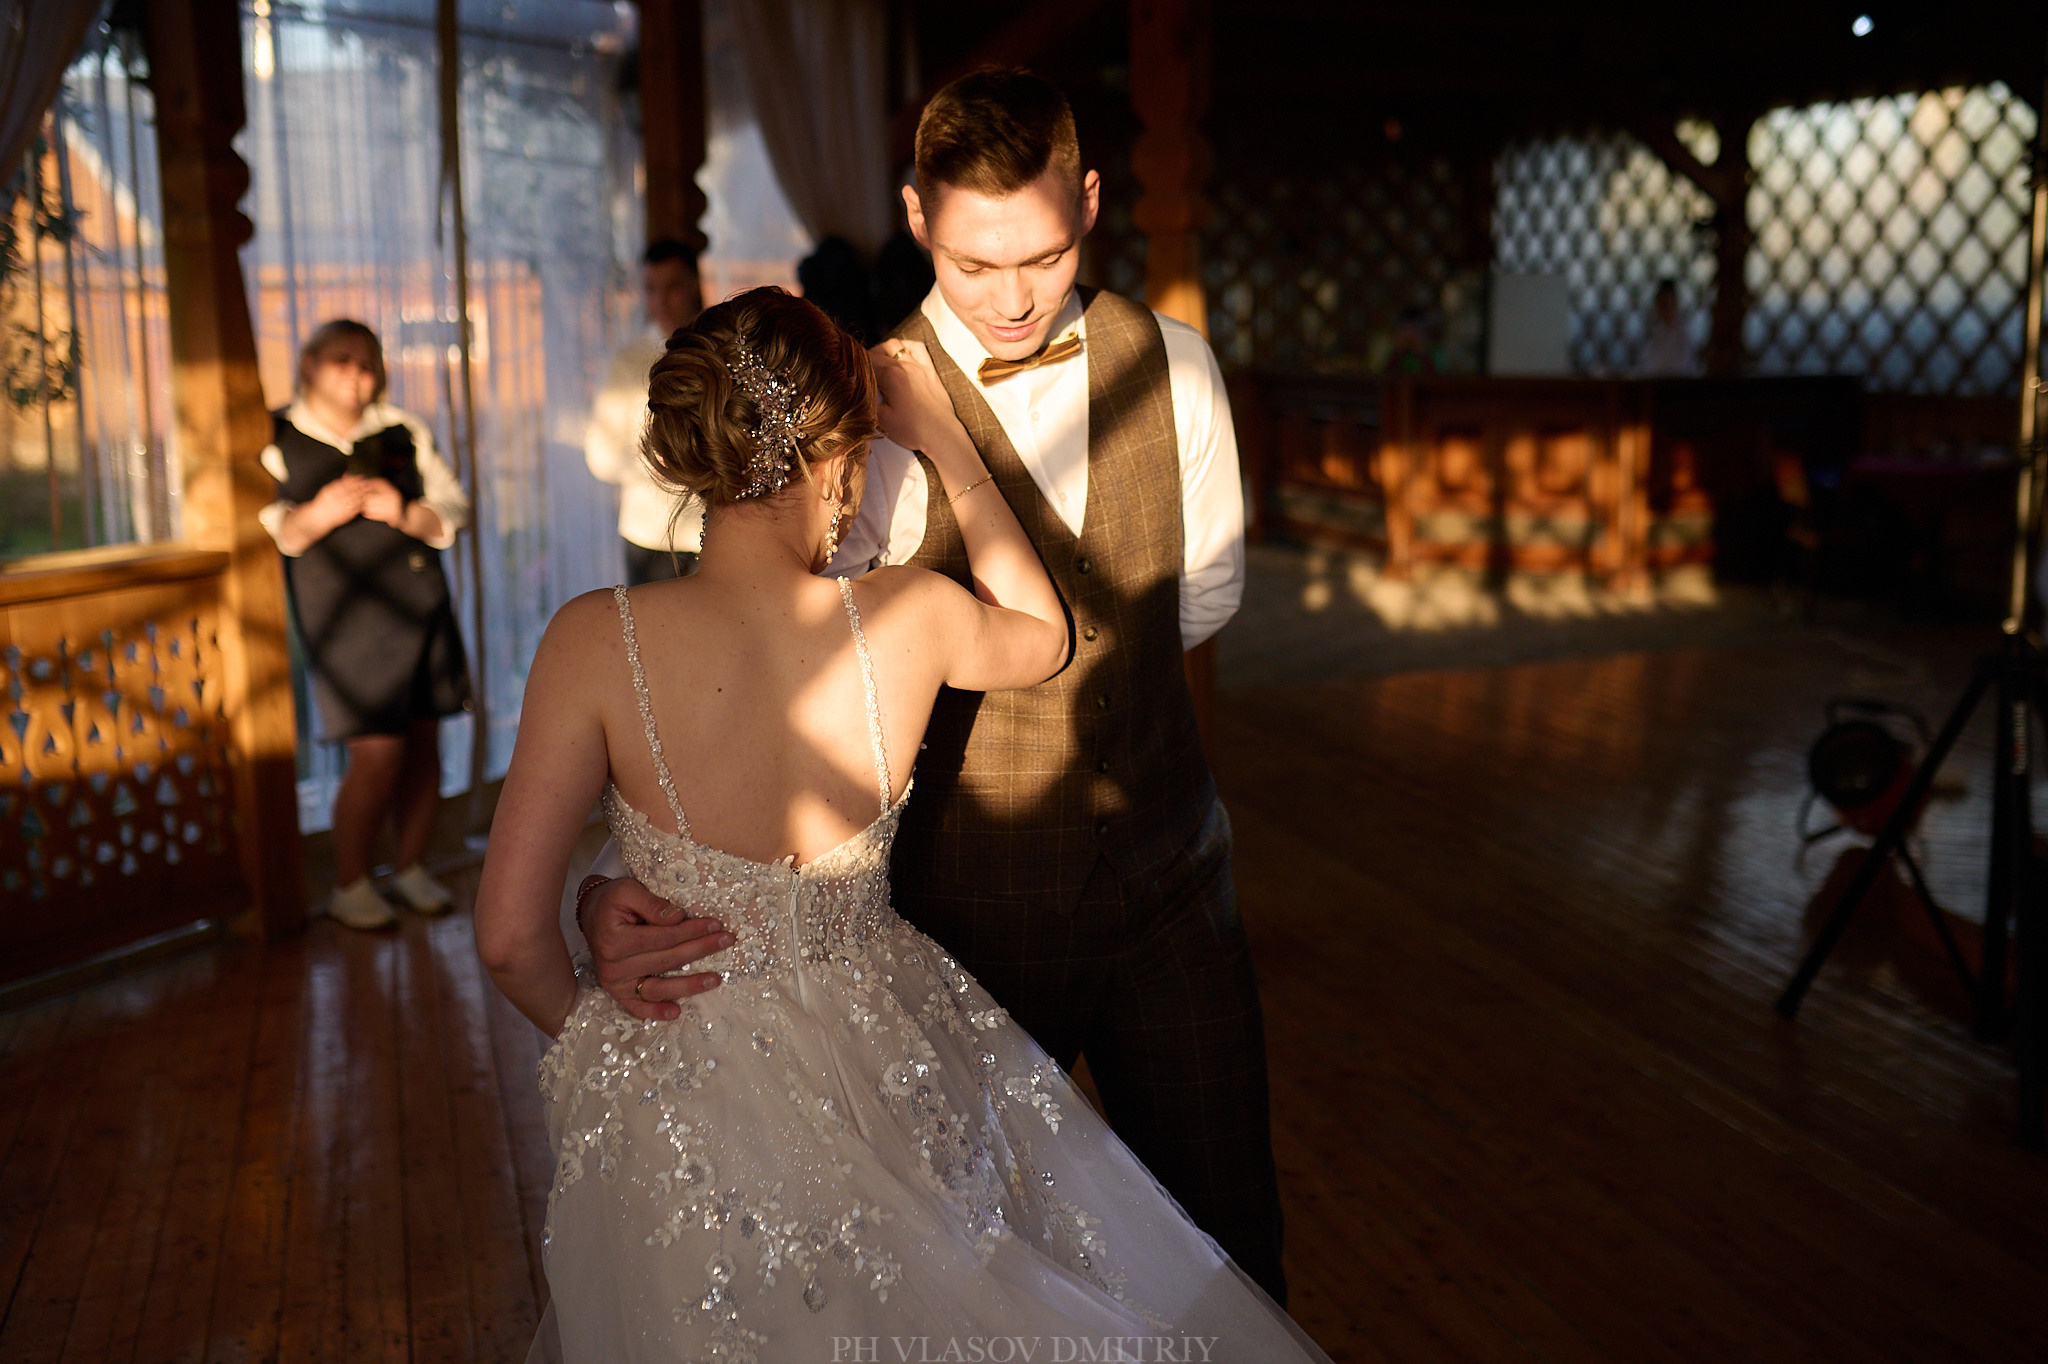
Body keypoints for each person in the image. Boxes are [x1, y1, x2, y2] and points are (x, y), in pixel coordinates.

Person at [473, 288, 1328, 1359]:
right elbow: (1044, 635)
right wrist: (948, 446)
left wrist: (607, 1044)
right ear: (841, 461)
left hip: (674, 1076)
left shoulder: (593, 637)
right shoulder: (906, 614)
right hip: (879, 1055)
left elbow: (507, 936)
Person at [579, 67, 1289, 1304]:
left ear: (1090, 200)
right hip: (960, 921)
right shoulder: (841, 421)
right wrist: (622, 881)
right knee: (985, 1265)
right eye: (973, 264)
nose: (1012, 298)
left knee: (1227, 1239)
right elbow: (756, 684)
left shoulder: (1173, 365)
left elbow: (1208, 595)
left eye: (1045, 257)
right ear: (914, 217)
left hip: (1174, 882)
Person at [259, 319, 471, 930]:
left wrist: (403, 511)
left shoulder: (402, 429)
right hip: (344, 622)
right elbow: (275, 529)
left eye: (368, 361)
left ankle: (410, 868)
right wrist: (320, 513)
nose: (357, 373)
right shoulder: (276, 436)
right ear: (309, 364)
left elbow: (453, 508)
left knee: (425, 742)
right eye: (342, 359)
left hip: (421, 604)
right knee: (377, 754)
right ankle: (350, 884)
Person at [587, 238, 706, 584]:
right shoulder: (627, 362)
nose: (661, 301)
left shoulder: (721, 351)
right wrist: (655, 463)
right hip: (650, 535)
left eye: (672, 288)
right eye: (652, 289)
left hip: (715, 530)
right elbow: (601, 457)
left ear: (693, 285)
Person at [1637, 277, 1702, 377]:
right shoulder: (1657, 332)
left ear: (1675, 303)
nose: (1662, 309)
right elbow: (1645, 365)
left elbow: (1679, 368)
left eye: (1666, 304)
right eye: (1659, 304)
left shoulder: (1684, 334)